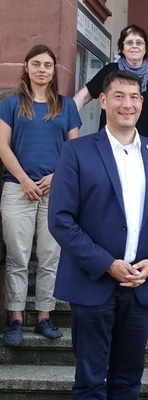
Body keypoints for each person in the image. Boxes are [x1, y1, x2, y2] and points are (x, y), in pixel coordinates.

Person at [48, 70, 148, 399]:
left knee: (128, 382)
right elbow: (61, 219)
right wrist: (106, 263)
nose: (127, 104)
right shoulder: (77, 151)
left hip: (141, 285)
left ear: (142, 102)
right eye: (119, 96)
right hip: (92, 282)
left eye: (134, 97)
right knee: (90, 384)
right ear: (103, 101)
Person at [0, 44, 81, 346]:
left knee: (50, 256)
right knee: (17, 257)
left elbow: (74, 151)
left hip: (55, 191)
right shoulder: (11, 104)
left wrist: (56, 177)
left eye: (47, 64)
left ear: (54, 69)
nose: (42, 69)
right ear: (26, 66)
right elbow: (2, 145)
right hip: (17, 188)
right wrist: (23, 179)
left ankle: (44, 316)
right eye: (36, 64)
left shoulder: (67, 106)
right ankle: (15, 319)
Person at [73, 24, 148, 143]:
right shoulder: (110, 71)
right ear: (122, 48)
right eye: (129, 42)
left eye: (139, 43)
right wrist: (66, 118)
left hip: (146, 147)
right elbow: (84, 96)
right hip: (109, 145)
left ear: (145, 48)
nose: (134, 46)